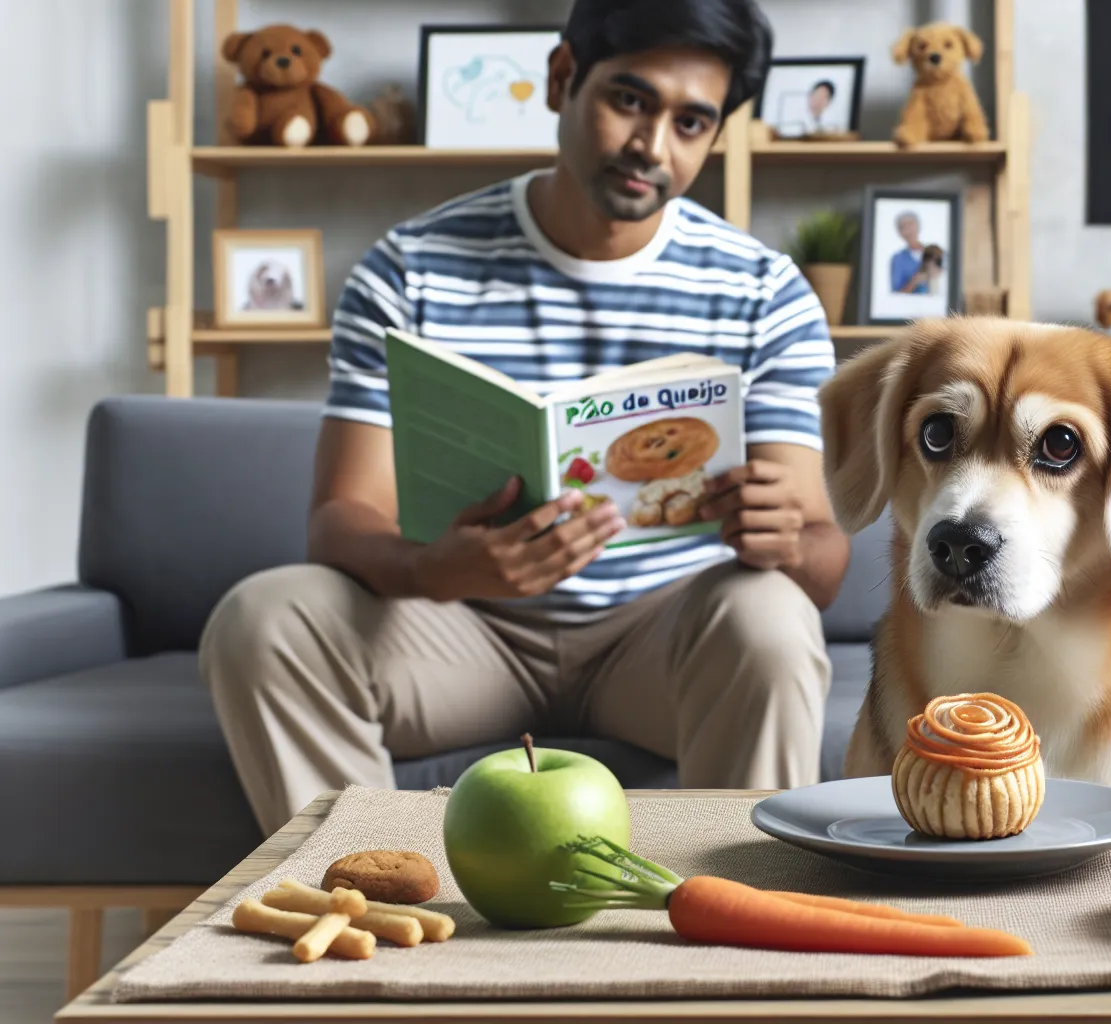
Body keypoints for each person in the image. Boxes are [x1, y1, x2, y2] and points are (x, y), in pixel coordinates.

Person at [198, 0, 849, 837]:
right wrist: (441, 570)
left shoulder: (765, 294)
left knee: (773, 616)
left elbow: (825, 564)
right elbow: (340, 524)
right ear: (561, 79)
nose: (654, 145)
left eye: (692, 122)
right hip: (461, 631)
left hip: (663, 640)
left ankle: (730, 930)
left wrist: (788, 537)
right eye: (629, 100)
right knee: (263, 619)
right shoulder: (410, 270)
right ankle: (381, 906)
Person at [888, 210, 928, 295]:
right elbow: (896, 295)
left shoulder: (934, 253)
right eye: (903, 227)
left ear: (918, 226)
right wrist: (914, 282)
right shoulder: (898, 259)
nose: (908, 230)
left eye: (910, 224)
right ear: (899, 233)